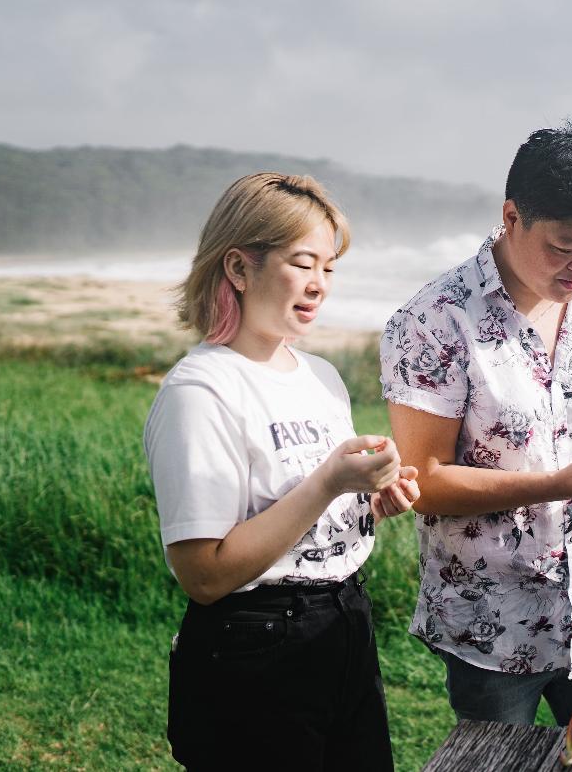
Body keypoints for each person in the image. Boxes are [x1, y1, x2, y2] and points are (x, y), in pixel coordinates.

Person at [380, 123, 572, 730]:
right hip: (492, 619)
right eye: (564, 247)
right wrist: (561, 484)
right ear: (512, 216)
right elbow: (426, 484)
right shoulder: (434, 319)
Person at [144, 173, 420, 770]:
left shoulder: (321, 377)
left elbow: (306, 521)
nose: (320, 285)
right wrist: (326, 483)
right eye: (303, 263)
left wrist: (371, 497)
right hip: (252, 650)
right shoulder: (201, 392)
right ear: (239, 269)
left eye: (330, 267)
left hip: (344, 626)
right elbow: (205, 575)